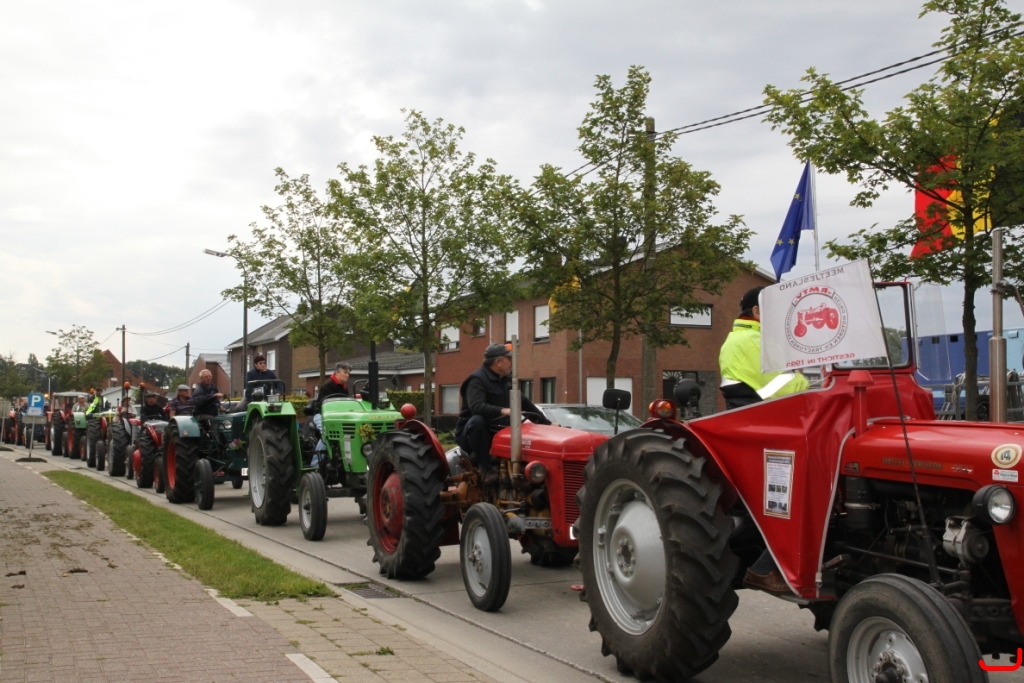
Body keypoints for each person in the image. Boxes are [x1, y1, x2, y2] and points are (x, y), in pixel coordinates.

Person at [720, 286, 808, 595]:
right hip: (762, 428)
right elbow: (788, 389)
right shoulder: (751, 342)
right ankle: (763, 569)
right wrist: (810, 380)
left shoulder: (749, 340)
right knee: (803, 496)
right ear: (757, 312)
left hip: (763, 423)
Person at [454, 343, 554, 486]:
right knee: (478, 420)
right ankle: (485, 469)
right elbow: (476, 407)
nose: (512, 363)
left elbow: (525, 403)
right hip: (473, 435)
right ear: (498, 362)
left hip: (499, 432)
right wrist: (503, 410)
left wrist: (549, 424)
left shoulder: (507, 380)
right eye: (509, 359)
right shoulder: (476, 380)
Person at [719, 286, 808, 410]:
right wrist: (799, 375)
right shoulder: (755, 342)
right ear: (757, 312)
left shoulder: (739, 338)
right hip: (760, 417)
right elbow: (789, 391)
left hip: (747, 415)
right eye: (776, 310)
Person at [309, 363, 351, 465]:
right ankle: (315, 465)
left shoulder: (345, 388)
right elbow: (322, 405)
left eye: (348, 373)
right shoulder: (327, 386)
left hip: (337, 416)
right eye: (345, 372)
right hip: (322, 415)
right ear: (337, 372)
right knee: (326, 434)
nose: (347, 375)